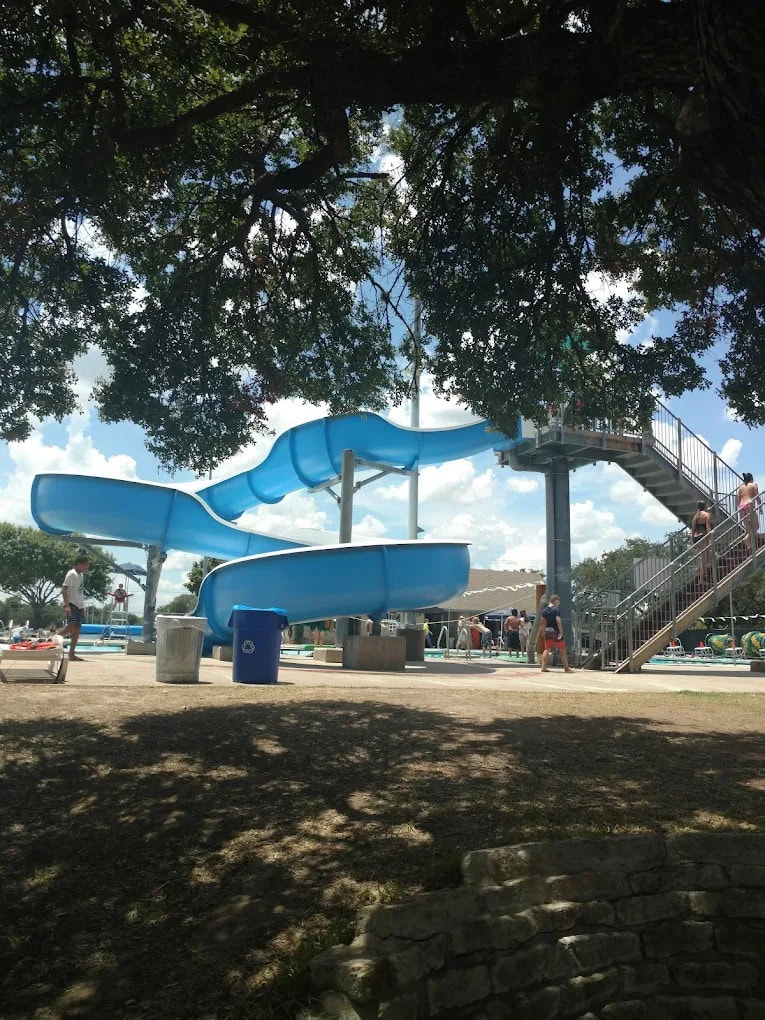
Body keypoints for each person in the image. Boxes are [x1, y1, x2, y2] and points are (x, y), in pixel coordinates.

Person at [61, 554, 90, 661]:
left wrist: (82, 606)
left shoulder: (81, 576)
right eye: (86, 565)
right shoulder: (71, 574)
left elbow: (79, 592)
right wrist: (66, 605)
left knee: (77, 628)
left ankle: (72, 653)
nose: (87, 567)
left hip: (79, 605)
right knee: (70, 627)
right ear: (79, 564)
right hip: (72, 603)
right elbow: (64, 588)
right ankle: (53, 640)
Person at [540, 594, 574, 673]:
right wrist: (561, 631)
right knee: (562, 649)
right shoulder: (556, 610)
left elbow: (542, 621)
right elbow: (558, 620)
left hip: (548, 631)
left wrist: (543, 631)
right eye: (558, 601)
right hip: (556, 631)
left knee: (547, 649)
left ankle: (543, 667)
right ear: (556, 601)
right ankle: (566, 668)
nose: (559, 603)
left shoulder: (544, 610)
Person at [690, 500, 712, 581]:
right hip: (703, 537)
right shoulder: (707, 515)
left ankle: (699, 571)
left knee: (707, 558)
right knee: (704, 559)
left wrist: (693, 542)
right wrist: (709, 538)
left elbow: (693, 530)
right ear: (705, 506)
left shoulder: (695, 516)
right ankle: (701, 579)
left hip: (696, 538)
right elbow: (708, 527)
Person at [738, 472, 760, 550]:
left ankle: (749, 544)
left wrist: (739, 509)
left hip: (741, 506)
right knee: (756, 525)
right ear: (752, 478)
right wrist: (760, 507)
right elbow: (757, 496)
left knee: (748, 527)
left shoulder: (741, 487)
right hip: (749, 505)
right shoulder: (754, 485)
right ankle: (747, 538)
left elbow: (738, 499)